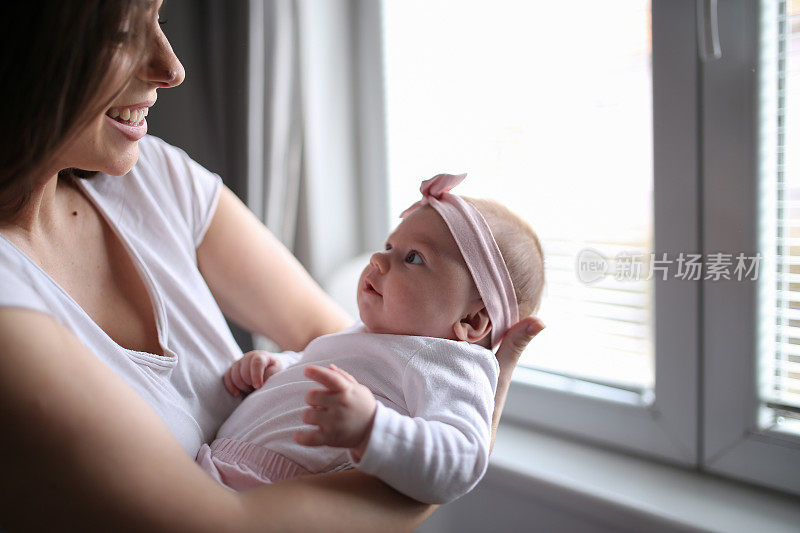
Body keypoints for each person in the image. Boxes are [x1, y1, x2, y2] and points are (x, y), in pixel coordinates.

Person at [0, 1, 544, 530]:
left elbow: (348, 356)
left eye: (159, 18)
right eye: (122, 31)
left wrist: (350, 409)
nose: (172, 68)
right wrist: (438, 445)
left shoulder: (152, 177)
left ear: (472, 323)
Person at [198, 174, 545, 505]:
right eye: (389, 246)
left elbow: (464, 458)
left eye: (413, 258)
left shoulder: (451, 364)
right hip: (221, 470)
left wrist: (372, 428)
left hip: (268, 492)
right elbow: (323, 365)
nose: (378, 259)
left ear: (471, 320)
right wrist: (279, 366)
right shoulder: (375, 336)